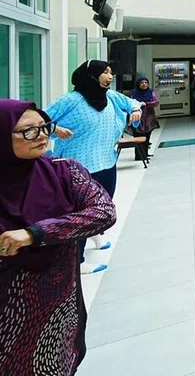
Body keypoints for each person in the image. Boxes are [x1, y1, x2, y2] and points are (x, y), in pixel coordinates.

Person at [0, 101, 118, 376]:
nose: (41, 135)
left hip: (56, 308)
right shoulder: (73, 100)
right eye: (28, 131)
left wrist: (35, 233)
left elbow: (103, 211)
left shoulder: (63, 171)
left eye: (44, 128)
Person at [45, 61, 141, 274]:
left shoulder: (111, 97)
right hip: (77, 168)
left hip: (106, 162)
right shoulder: (71, 100)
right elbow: (40, 120)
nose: (109, 76)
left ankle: (95, 233)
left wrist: (134, 110)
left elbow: (133, 103)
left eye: (110, 72)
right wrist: (56, 128)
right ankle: (76, 263)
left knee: (102, 205)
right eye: (105, 72)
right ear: (91, 76)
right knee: (79, 214)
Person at [129, 75, 159, 161]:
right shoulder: (133, 93)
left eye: (146, 82)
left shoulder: (150, 92)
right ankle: (139, 155)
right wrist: (138, 104)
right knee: (138, 135)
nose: (144, 84)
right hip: (137, 117)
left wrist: (146, 104)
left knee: (147, 135)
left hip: (149, 117)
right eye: (142, 83)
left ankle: (145, 154)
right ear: (138, 84)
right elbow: (130, 103)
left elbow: (156, 102)